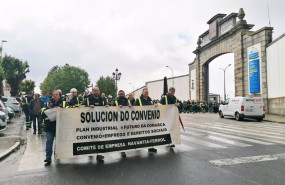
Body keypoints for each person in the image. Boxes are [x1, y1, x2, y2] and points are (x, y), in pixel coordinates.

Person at [82, 87, 108, 161]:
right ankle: (91, 151)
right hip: (90, 122)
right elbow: (81, 108)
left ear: (99, 91)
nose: (96, 92)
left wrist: (106, 107)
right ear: (92, 91)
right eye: (95, 91)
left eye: (97, 91)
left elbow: (107, 108)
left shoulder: (103, 99)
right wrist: (88, 107)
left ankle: (99, 154)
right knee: (91, 138)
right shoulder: (88, 99)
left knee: (99, 138)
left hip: (100, 123)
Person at [44, 90, 67, 164]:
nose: (55, 96)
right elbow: (42, 112)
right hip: (50, 126)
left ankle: (57, 154)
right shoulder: (48, 103)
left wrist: (62, 110)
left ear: (59, 95)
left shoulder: (64, 103)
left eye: (56, 94)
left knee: (58, 142)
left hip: (60, 126)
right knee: (49, 141)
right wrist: (50, 109)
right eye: (54, 94)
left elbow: (69, 112)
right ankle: (48, 157)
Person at [135, 88, 157, 153]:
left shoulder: (150, 100)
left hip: (149, 120)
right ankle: (138, 146)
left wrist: (155, 105)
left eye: (147, 92)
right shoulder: (138, 100)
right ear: (142, 92)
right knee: (140, 134)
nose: (146, 93)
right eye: (145, 92)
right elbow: (135, 109)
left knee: (150, 134)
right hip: (141, 120)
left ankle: (150, 147)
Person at [113, 90, 132, 158]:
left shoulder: (128, 101)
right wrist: (117, 108)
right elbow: (111, 110)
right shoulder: (115, 101)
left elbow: (133, 109)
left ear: (124, 94)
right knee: (121, 135)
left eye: (122, 94)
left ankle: (126, 146)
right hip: (119, 121)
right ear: (118, 95)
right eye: (120, 94)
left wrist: (130, 106)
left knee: (126, 135)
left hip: (127, 121)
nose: (121, 95)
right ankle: (122, 150)